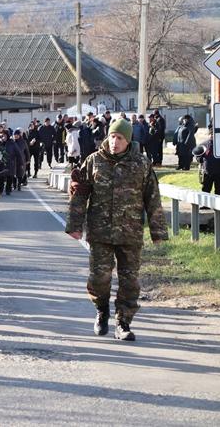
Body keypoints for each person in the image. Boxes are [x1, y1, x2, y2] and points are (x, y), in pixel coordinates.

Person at [66, 119, 168, 341]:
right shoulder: (94, 161)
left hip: (130, 234)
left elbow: (153, 199)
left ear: (128, 140)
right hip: (100, 232)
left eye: (119, 138)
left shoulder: (141, 164)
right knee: (99, 278)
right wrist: (74, 226)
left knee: (129, 281)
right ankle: (102, 310)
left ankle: (123, 323)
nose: (114, 142)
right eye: (112, 137)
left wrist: (158, 232)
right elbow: (79, 194)